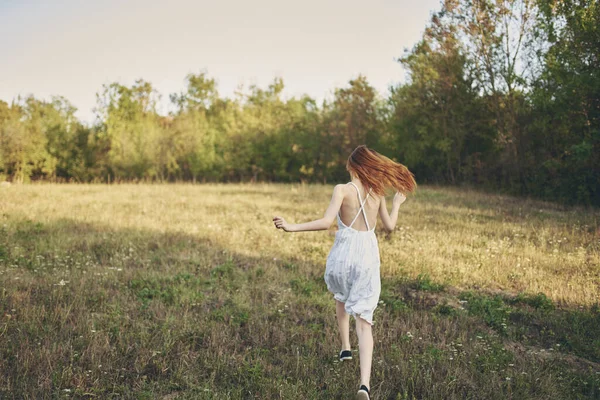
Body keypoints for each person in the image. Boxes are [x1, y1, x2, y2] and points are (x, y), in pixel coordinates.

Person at [273, 145, 416, 400]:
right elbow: (390, 226)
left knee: (340, 296)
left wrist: (291, 227)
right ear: (369, 166)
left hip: (343, 255)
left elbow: (326, 223)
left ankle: (345, 347)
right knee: (364, 321)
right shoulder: (378, 194)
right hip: (366, 257)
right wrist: (397, 204)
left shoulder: (342, 190)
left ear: (352, 166)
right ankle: (364, 385)